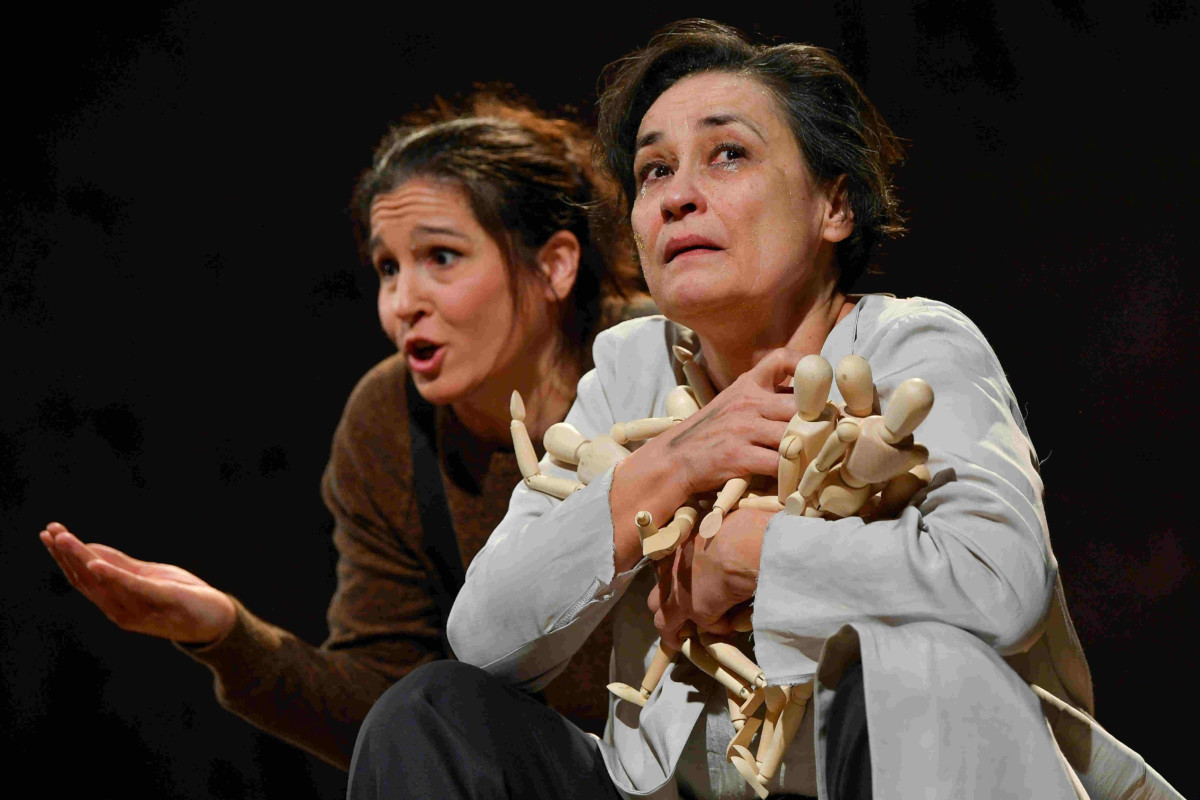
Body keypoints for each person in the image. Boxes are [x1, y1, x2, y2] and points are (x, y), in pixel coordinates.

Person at [346, 20, 1183, 800]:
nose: (677, 196)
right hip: (670, 787)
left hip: (873, 775)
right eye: (654, 170)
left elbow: (1001, 585)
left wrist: (755, 554)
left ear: (834, 206)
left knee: (926, 659)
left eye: (728, 155)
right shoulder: (630, 369)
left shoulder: (914, 348)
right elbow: (484, 636)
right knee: (432, 714)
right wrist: (674, 462)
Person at [39, 93, 649, 770]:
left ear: (555, 265)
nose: (402, 303)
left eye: (441, 257)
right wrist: (224, 633)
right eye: (389, 268)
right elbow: (392, 717)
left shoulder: (665, 355)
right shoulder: (390, 419)